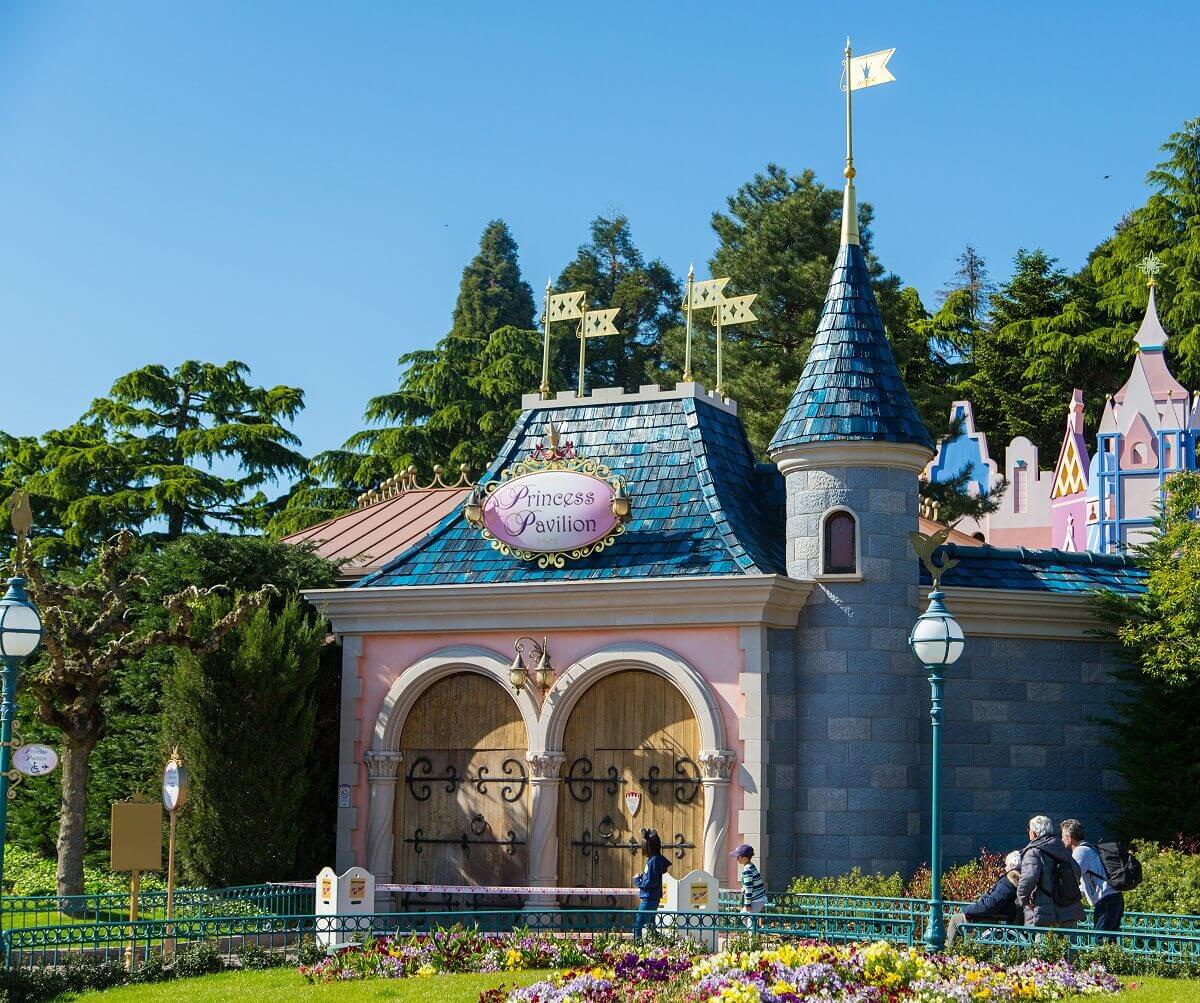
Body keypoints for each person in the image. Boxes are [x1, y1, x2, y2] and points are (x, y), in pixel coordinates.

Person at [1017, 814, 1085, 929]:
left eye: (1029, 830)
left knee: (1043, 946)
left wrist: (1022, 899)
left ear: (1033, 833)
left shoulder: (1033, 852)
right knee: (1068, 945)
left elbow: (1029, 878)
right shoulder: (1062, 848)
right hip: (1068, 907)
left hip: (1044, 912)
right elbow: (1077, 870)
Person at [945, 850, 1023, 945]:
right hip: (999, 917)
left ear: (1011, 865)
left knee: (955, 919)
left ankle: (947, 952)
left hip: (994, 919)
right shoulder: (1014, 881)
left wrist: (966, 909)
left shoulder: (1007, 883)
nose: (1005, 867)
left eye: (1006, 864)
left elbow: (989, 905)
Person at [1061, 818, 1125, 932]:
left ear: (1070, 838)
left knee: (1100, 941)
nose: (1061, 839)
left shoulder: (1080, 852)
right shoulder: (1090, 848)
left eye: (1063, 836)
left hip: (1106, 900)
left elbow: (1071, 877)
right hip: (1114, 898)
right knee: (1110, 942)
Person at [632, 828, 670, 940]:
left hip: (648, 900)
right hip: (655, 899)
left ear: (648, 847)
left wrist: (637, 880)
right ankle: (657, 947)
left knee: (637, 927)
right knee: (651, 927)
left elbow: (649, 882)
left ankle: (637, 949)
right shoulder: (659, 860)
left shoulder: (652, 861)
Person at [730, 843, 767, 919]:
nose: (737, 858)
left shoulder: (747, 869)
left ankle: (754, 931)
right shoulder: (751, 866)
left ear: (745, 857)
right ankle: (754, 930)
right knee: (744, 917)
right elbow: (750, 884)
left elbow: (749, 888)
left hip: (756, 899)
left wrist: (747, 904)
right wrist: (744, 888)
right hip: (759, 898)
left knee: (748, 920)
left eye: (738, 856)